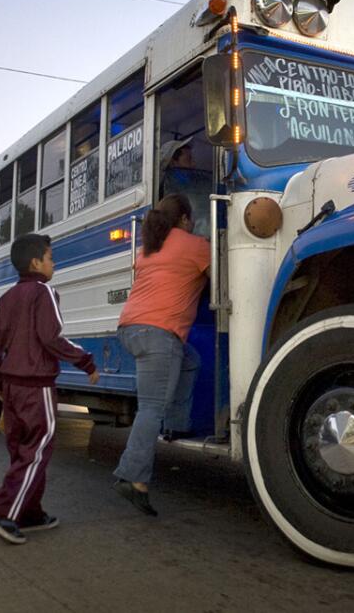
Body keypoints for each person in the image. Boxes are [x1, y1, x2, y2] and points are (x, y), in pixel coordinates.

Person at [0, 233, 99, 545]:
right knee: (37, 450)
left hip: (11, 385)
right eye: (50, 258)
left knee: (22, 451)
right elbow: (52, 338)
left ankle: (29, 512)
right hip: (37, 386)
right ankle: (2, 512)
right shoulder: (44, 292)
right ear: (36, 263)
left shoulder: (6, 298)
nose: (53, 263)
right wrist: (86, 361)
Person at [112, 194, 210, 516]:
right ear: (183, 219)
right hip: (158, 333)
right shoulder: (194, 245)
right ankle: (132, 478)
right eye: (191, 217)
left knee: (190, 360)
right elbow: (225, 276)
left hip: (130, 329)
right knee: (151, 408)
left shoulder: (150, 247)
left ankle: (176, 425)